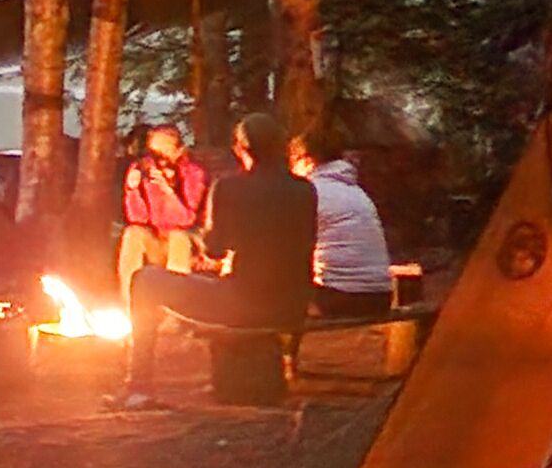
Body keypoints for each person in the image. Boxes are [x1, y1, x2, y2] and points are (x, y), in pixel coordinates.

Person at [119, 112, 318, 406]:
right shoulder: (305, 189)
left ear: (242, 148)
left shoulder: (230, 187)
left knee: (144, 280)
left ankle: (139, 387)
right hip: (293, 304)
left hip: (244, 301)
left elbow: (215, 248)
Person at [292, 128, 393, 316]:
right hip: (380, 297)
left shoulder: (309, 192)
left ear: (306, 160)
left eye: (293, 162)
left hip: (339, 297)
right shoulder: (357, 192)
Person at [116, 123, 211, 302]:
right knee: (132, 234)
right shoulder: (143, 169)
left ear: (179, 151)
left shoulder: (194, 174)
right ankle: (130, 307)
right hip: (157, 241)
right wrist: (133, 190)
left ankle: (175, 310)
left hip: (187, 244)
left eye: (164, 152)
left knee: (178, 238)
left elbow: (186, 220)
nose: (159, 159)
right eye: (154, 152)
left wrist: (168, 192)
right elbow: (136, 218)